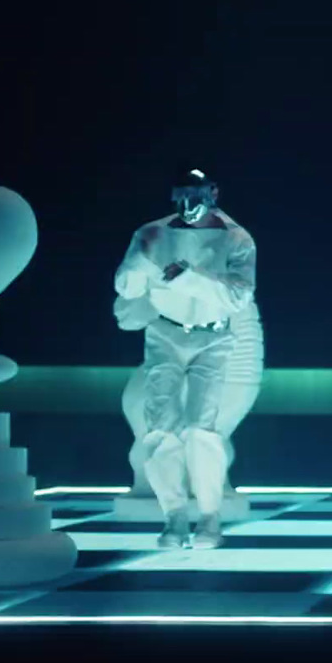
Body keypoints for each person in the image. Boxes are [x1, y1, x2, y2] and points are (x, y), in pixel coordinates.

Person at [112, 168, 261, 550]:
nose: (190, 200)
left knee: (201, 428)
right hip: (165, 334)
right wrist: (143, 261)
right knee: (160, 427)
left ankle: (209, 517)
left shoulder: (237, 238)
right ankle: (174, 516)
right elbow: (127, 290)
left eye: (198, 191)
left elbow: (237, 297)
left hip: (213, 339)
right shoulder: (152, 233)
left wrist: (190, 277)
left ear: (213, 191)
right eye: (183, 191)